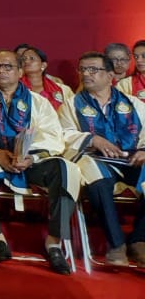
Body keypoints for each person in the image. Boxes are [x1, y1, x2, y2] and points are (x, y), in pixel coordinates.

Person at [0, 49, 77, 275]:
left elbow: (52, 135)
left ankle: (54, 241)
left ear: (20, 72)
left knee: (66, 169)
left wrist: (31, 157)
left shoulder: (38, 102)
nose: (1, 70)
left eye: (8, 66)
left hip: (30, 161)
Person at [58, 51, 145, 266]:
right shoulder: (71, 104)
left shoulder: (133, 103)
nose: (86, 74)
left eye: (93, 70)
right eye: (82, 70)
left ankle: (139, 240)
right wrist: (92, 139)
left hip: (131, 159)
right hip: (95, 159)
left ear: (110, 75)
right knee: (97, 180)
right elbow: (62, 135)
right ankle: (117, 245)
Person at [19, 45, 73, 111]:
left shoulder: (64, 90)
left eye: (31, 58)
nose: (26, 61)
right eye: (23, 59)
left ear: (43, 65)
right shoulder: (14, 87)